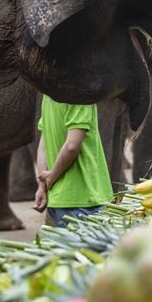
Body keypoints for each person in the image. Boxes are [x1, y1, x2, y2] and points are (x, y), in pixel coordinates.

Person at [35, 96, 113, 228]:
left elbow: (43, 148)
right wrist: (51, 178)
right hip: (85, 199)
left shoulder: (48, 96)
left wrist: (42, 186)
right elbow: (72, 146)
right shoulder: (80, 97)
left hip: (57, 199)